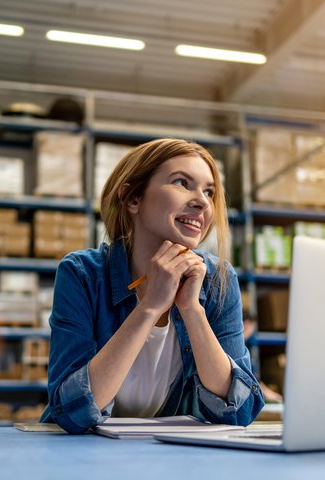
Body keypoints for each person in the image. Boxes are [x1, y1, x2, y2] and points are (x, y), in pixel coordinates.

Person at [40, 138, 264, 433]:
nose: (202, 201)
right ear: (133, 199)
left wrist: (192, 309)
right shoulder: (82, 274)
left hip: (170, 459)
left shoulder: (219, 280)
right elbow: (72, 411)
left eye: (209, 191)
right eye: (182, 182)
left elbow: (240, 411)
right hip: (83, 457)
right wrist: (150, 307)